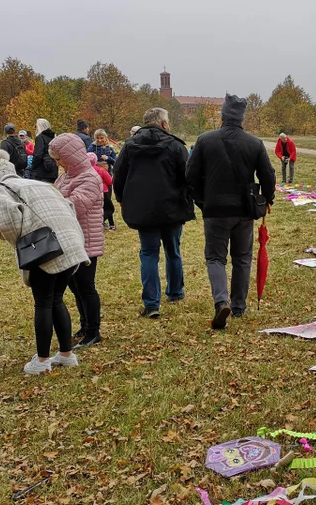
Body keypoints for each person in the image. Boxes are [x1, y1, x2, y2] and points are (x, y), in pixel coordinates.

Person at [0, 152, 89, 374]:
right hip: (71, 242)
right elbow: (68, 206)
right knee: (57, 299)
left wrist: (20, 244)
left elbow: (7, 222)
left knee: (43, 303)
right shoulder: (36, 183)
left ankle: (41, 361)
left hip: (45, 249)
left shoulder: (1, 190)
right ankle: (66, 354)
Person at [186, 94, 275, 330]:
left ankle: (221, 301)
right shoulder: (254, 143)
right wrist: (268, 199)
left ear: (223, 115)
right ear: (241, 117)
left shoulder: (205, 140)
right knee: (242, 258)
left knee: (215, 258)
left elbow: (191, 176)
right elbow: (268, 176)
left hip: (214, 210)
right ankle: (237, 306)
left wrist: (202, 201)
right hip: (244, 211)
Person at [112, 107, 193, 318]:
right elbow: (187, 176)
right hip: (172, 206)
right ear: (164, 124)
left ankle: (152, 303)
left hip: (143, 208)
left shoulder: (130, 146)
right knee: (172, 250)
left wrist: (122, 199)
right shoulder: (175, 145)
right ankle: (175, 292)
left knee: (149, 253)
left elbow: (118, 176)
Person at [50, 134, 104, 349]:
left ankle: (93, 331)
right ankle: (84, 326)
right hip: (71, 240)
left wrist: (50, 202)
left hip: (86, 242)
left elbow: (75, 205)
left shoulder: (89, 178)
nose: (57, 163)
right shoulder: (66, 176)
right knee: (75, 286)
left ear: (70, 157)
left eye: (59, 158)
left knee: (86, 287)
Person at [88, 152, 116, 230]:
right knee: (108, 208)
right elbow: (110, 181)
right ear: (96, 161)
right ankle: (111, 225)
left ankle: (96, 224)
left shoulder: (85, 171)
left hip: (91, 193)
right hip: (103, 192)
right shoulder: (101, 170)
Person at [30, 118, 59, 183]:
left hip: (41, 172)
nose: (35, 128)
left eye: (36, 126)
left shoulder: (40, 138)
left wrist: (33, 166)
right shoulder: (54, 137)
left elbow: (38, 155)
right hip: (53, 171)